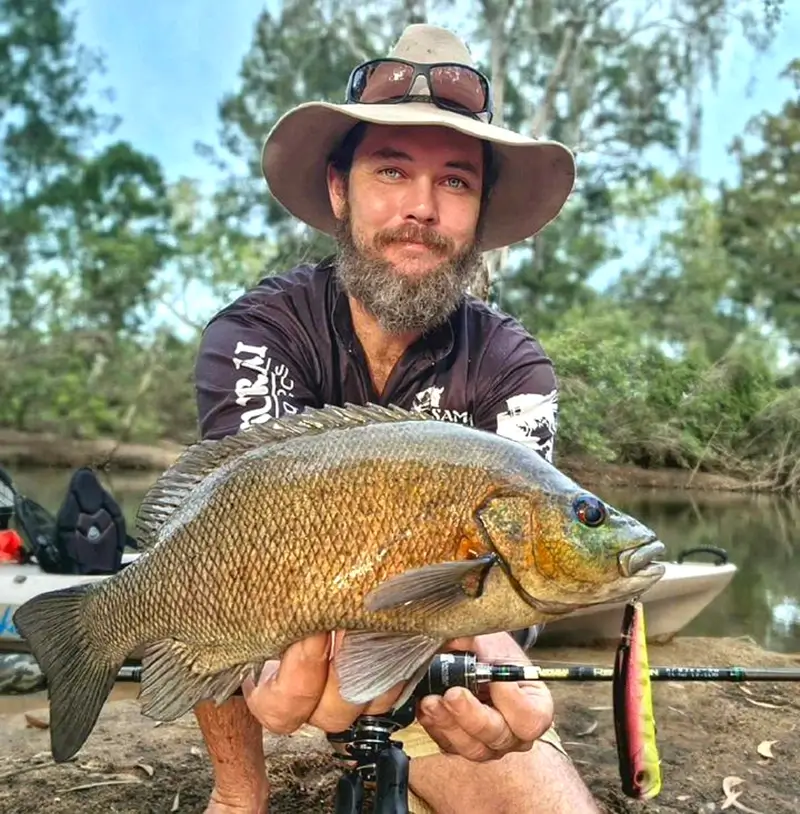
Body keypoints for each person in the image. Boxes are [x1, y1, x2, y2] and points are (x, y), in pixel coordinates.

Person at [192, 22, 601, 814]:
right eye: (391, 170)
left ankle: (401, 750)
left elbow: (510, 575)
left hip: (429, 651)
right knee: (209, 564)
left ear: (480, 214)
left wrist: (499, 671)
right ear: (340, 190)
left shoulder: (515, 369)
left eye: (454, 181)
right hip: (275, 639)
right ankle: (240, 794)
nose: (420, 208)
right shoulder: (256, 334)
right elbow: (234, 526)